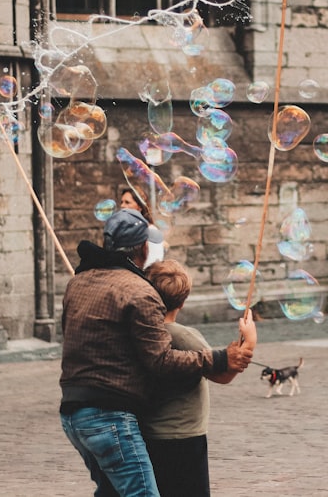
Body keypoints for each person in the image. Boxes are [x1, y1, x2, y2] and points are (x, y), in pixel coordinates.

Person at [59, 208, 254, 496]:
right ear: (142, 247)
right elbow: (160, 360)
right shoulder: (139, 290)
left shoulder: (78, 281)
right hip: (109, 416)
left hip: (72, 414)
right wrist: (222, 357)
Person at [142, 259, 256, 497]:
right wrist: (249, 341)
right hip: (184, 435)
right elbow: (222, 374)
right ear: (183, 301)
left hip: (151, 433)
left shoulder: (143, 333)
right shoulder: (184, 336)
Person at [121, 187, 166, 267]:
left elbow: (153, 265)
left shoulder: (151, 231)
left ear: (140, 207)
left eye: (127, 202)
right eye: (121, 202)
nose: (122, 206)